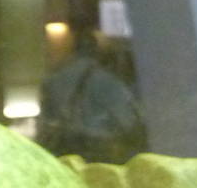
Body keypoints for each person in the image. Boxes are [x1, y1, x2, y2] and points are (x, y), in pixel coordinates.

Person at [38, 21, 146, 163]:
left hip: (64, 152)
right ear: (97, 49)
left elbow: (45, 122)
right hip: (99, 152)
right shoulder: (105, 81)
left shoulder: (53, 80)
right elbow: (127, 120)